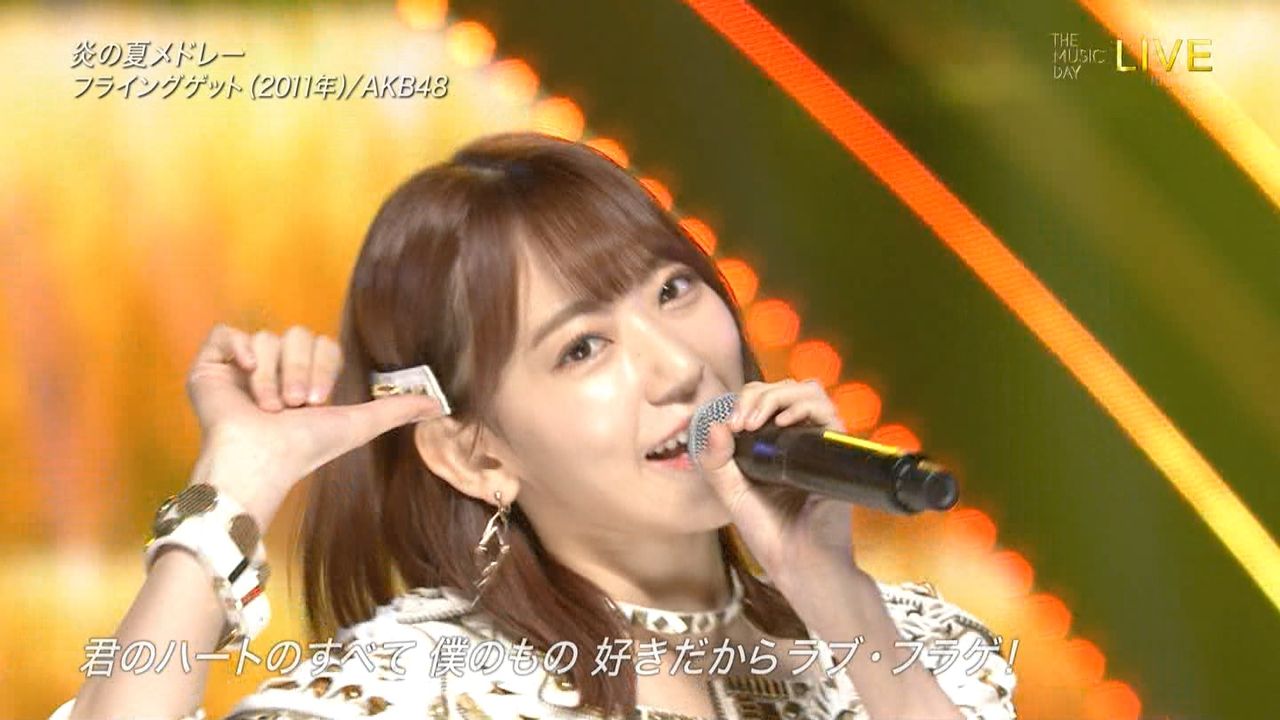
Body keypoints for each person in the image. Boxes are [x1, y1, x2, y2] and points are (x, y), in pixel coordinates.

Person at [53, 132, 1017, 719]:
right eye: (582, 348)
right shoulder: (427, 685)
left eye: (673, 290)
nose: (679, 368)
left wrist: (835, 595)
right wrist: (233, 486)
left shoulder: (915, 645)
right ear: (475, 454)